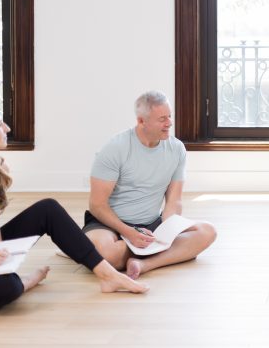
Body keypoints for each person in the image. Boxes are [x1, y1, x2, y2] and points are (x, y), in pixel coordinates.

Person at [0, 104, 147, 309]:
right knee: (6, 287)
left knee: (48, 208)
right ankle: (25, 282)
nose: (6, 129)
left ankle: (106, 274)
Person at [83, 91, 216, 279]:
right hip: (110, 225)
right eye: (162, 119)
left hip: (151, 224)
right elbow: (97, 205)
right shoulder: (115, 148)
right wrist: (129, 232)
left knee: (207, 231)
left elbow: (174, 201)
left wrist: (167, 232)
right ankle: (153, 251)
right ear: (141, 121)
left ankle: (144, 264)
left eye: (169, 116)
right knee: (105, 252)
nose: (169, 123)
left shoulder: (176, 149)